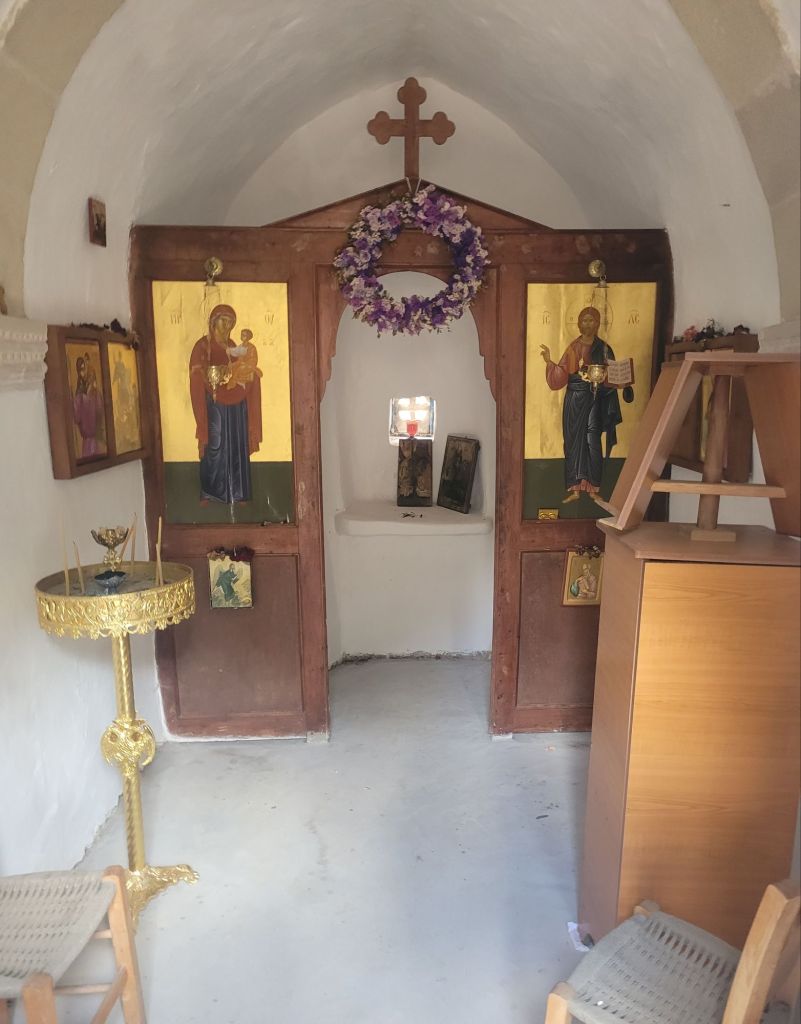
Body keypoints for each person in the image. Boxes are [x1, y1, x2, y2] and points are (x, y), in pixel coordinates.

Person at [540, 306, 633, 503]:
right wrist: (549, 362)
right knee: (573, 442)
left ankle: (593, 488)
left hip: (595, 400)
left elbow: (613, 374)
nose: (587, 324)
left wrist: (621, 381)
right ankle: (575, 489)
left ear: (598, 323)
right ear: (578, 324)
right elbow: (561, 375)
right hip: (575, 400)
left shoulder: (604, 348)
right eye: (584, 320)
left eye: (591, 320)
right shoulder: (573, 348)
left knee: (592, 441)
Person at [189, 304, 262, 505]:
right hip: (213, 403)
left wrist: (246, 375)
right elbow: (197, 372)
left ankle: (238, 492)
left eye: (230, 322)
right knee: (215, 443)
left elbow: (241, 366)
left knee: (236, 443)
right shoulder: (202, 346)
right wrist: (210, 379)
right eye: (224, 321)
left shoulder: (233, 346)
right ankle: (210, 492)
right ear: (213, 322)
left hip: (235, 403)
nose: (227, 326)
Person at [72, 354, 103, 458]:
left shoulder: (95, 393)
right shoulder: (79, 396)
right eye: (80, 370)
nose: (83, 373)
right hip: (87, 441)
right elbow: (76, 417)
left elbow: (100, 411)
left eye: (84, 369)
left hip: (95, 439)